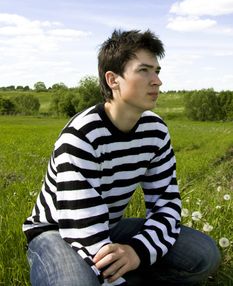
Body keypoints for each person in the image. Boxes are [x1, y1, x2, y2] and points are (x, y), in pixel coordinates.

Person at [23, 29, 221, 286]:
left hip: (108, 226)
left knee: (204, 254)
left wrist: (137, 252)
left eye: (157, 71)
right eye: (144, 70)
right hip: (57, 232)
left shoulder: (156, 130)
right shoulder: (81, 136)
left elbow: (166, 203)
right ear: (113, 79)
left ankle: (127, 270)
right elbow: (82, 228)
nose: (157, 81)